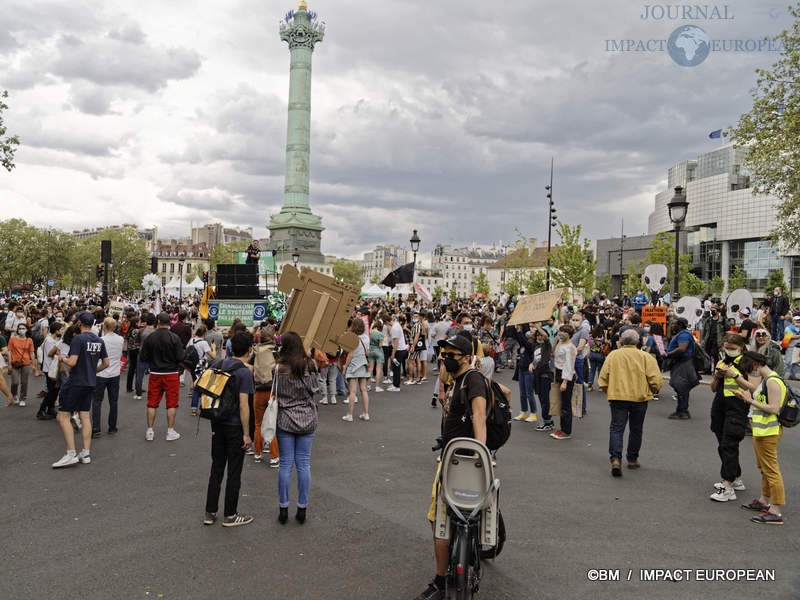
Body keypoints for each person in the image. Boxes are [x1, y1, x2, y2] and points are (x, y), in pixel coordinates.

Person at [415, 334, 487, 600]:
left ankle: (440, 580)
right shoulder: (458, 380)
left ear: (466, 358)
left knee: (441, 520)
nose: (445, 358)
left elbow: (479, 417)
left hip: (463, 462)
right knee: (445, 517)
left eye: (451, 355)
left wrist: (481, 455)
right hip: (452, 457)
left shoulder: (474, 380)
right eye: (444, 353)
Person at [203, 331, 255, 527]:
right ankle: (230, 514)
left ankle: (210, 512)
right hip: (234, 426)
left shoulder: (218, 365)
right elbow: (244, 405)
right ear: (249, 349)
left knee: (216, 468)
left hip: (217, 422)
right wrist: (246, 434)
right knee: (234, 471)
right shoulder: (244, 373)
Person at [729, 351, 787, 525]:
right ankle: (764, 500)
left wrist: (749, 400)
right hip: (761, 430)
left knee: (771, 470)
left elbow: (774, 409)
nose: (751, 373)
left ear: (755, 365)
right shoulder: (767, 380)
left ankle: (775, 511)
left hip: (769, 431)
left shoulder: (773, 381)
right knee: (764, 468)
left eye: (749, 369)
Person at [598, 329, 663, 477]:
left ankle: (615, 458)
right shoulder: (645, 357)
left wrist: (609, 391)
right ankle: (632, 459)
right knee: (636, 429)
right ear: (638, 341)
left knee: (616, 428)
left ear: (621, 341)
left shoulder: (613, 355)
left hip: (618, 397)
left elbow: (603, 378)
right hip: (639, 398)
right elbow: (656, 380)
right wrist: (652, 391)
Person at [273, 331, 320, 525]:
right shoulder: (309, 365)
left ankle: (283, 507)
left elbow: (274, 391)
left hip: (285, 418)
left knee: (285, 464)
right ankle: (302, 507)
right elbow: (316, 388)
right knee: (303, 464)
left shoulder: (278, 368)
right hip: (307, 418)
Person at [52, 311, 109, 468]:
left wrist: (62, 358)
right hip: (90, 382)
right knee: (84, 416)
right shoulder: (99, 340)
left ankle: (71, 453)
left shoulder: (78, 339)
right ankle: (86, 452)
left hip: (76, 382)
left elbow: (73, 362)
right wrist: (93, 372)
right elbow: (106, 363)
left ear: (79, 324)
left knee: (62, 416)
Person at [708, 333, 749, 502]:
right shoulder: (722, 362)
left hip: (737, 406)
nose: (729, 351)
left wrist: (735, 375)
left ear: (741, 348)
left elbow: (753, 387)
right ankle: (736, 477)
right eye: (727, 348)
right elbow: (712, 388)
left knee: (729, 443)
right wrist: (718, 376)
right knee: (723, 443)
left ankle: (728, 485)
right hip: (719, 405)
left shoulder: (747, 363)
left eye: (732, 349)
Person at [139, 312, 185, 442]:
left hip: (155, 373)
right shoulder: (174, 338)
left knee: (152, 403)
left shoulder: (151, 337)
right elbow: (181, 357)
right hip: (171, 373)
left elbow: (143, 357)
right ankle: (170, 431)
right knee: (171, 403)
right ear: (169, 322)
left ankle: (149, 430)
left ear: (158, 322)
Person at [252, 323, 279, 467]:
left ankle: (257, 453)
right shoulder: (275, 352)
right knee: (272, 423)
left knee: (258, 424)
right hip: (272, 391)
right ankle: (274, 456)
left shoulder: (256, 351)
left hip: (258, 390)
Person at [92, 317, 124, 437]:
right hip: (115, 373)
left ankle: (96, 428)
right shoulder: (120, 339)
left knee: (97, 401)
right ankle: (112, 426)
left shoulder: (100, 340)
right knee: (113, 401)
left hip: (101, 372)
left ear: (104, 326)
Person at [665, 317, 698, 419]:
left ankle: (682, 411)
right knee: (681, 387)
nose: (672, 326)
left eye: (674, 324)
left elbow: (682, 348)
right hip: (681, 363)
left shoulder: (683, 334)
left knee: (681, 386)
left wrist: (668, 354)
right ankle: (682, 410)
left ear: (680, 325)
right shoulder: (682, 334)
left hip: (683, 363)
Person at [551, 324, 577, 440]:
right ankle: (562, 428)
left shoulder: (571, 347)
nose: (561, 333)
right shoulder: (560, 343)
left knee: (566, 404)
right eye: (560, 331)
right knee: (561, 403)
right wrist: (556, 340)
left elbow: (569, 365)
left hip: (566, 376)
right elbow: (553, 353)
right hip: (559, 374)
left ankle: (566, 431)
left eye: (564, 332)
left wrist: (565, 381)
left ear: (569, 334)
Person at [342, 318, 370, 422]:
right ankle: (366, 413)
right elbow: (367, 353)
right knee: (364, 389)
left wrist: (345, 367)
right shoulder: (366, 338)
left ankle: (350, 415)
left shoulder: (352, 338)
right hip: (363, 364)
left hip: (354, 364)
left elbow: (350, 354)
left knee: (352, 391)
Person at [37, 321, 64, 420]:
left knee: (55, 390)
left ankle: (51, 409)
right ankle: (41, 410)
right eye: (61, 329)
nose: (62, 331)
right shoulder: (49, 341)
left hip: (52, 368)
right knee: (51, 391)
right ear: (56, 331)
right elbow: (50, 354)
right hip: (49, 369)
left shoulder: (53, 339)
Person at [7, 322, 38, 406]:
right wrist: (9, 363)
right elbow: (9, 351)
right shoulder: (13, 339)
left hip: (26, 363)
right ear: (17, 329)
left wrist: (34, 365)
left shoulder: (29, 340)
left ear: (27, 330)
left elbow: (32, 353)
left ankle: (23, 398)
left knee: (24, 382)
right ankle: (14, 395)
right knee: (15, 382)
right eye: (20, 328)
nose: (21, 330)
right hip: (14, 363)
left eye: (23, 328)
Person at [388, 313, 409, 392]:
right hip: (401, 349)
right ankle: (395, 384)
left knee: (396, 368)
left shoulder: (395, 328)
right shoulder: (397, 325)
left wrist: (393, 354)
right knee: (396, 367)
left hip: (399, 350)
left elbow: (396, 342)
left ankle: (396, 386)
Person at [367, 319, 385, 392]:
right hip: (378, 351)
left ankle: (368, 386)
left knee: (370, 369)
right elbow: (380, 345)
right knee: (378, 370)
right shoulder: (380, 334)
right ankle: (377, 387)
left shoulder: (370, 333)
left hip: (371, 350)